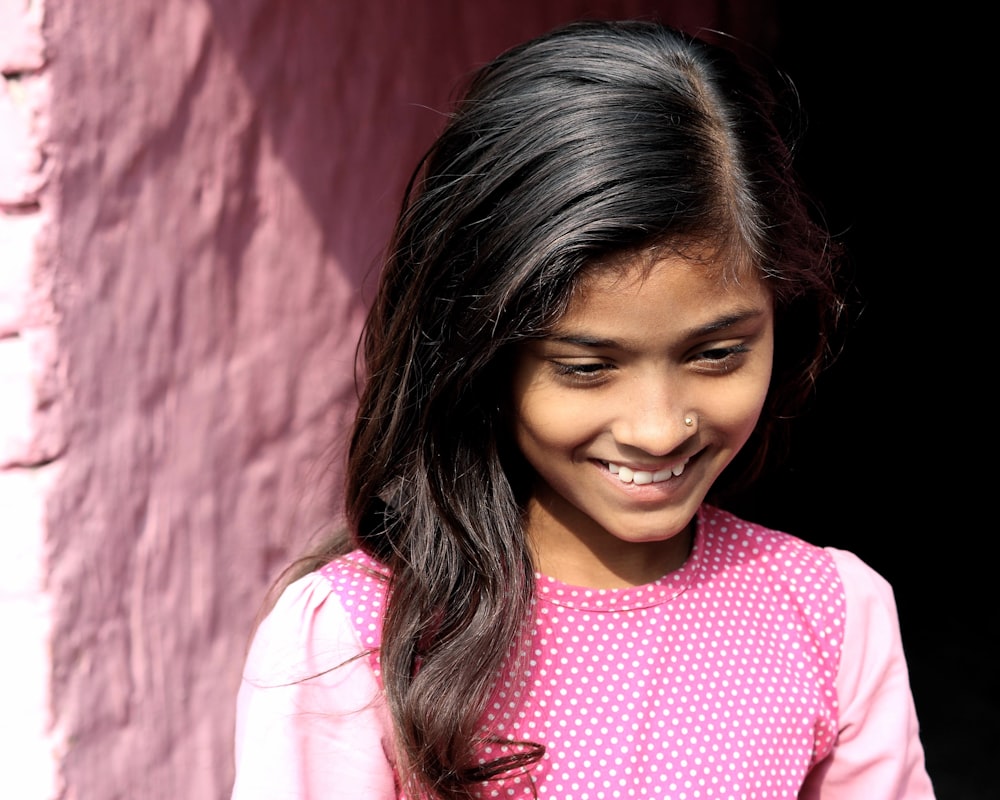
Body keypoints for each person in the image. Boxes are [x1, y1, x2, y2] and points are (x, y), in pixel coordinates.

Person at [230, 19, 935, 800]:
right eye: (586, 368)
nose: (658, 426)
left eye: (718, 354)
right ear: (479, 354)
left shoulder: (832, 619)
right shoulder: (355, 643)